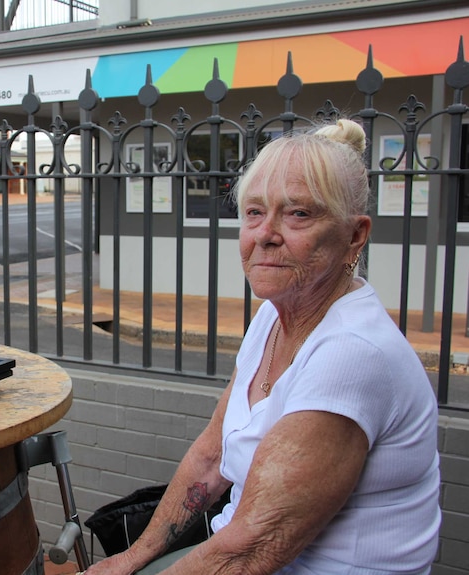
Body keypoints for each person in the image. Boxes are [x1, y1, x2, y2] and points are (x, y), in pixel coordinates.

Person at [84, 120, 440, 575]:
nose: (265, 234)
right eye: (254, 212)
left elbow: (254, 546)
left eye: (298, 214)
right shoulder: (274, 313)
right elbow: (210, 457)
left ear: (355, 235)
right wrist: (131, 557)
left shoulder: (352, 352)